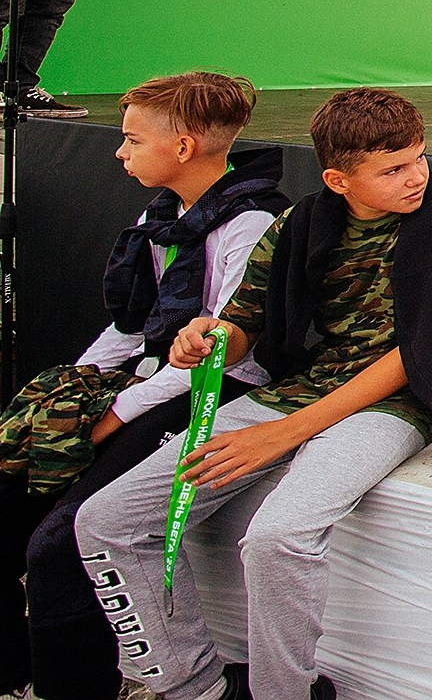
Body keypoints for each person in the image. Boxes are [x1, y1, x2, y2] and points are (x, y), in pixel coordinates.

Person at [74, 88, 432, 700]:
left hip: (396, 403)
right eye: (393, 169)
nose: (417, 178)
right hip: (301, 387)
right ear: (338, 179)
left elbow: (417, 356)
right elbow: (241, 321)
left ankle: (287, 693)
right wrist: (203, 339)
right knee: (106, 521)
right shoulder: (299, 223)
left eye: (418, 159)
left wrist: (281, 434)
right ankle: (194, 687)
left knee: (279, 537)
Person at [0, 75, 283, 700]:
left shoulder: (250, 225)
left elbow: (216, 352)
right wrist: (76, 388)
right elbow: (134, 327)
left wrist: (115, 414)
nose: (120, 153)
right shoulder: (162, 214)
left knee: (60, 542)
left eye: (130, 140)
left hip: (213, 392)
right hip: (147, 382)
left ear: (183, 147)